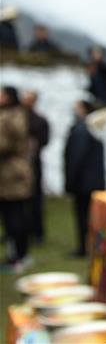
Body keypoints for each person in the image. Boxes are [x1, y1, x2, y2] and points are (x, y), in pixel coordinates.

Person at [64, 100, 106, 257]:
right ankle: (91, 246)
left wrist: (70, 180)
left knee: (83, 216)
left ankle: (85, 247)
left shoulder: (83, 129)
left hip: (83, 182)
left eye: (77, 107)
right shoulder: (93, 128)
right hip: (93, 180)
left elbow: (76, 157)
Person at [0, 86, 33, 273]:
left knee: (16, 217)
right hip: (5, 176)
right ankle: (14, 255)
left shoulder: (15, 116)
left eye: (2, 94)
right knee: (9, 217)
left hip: (13, 175)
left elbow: (6, 142)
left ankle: (21, 256)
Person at [21, 91, 50, 244]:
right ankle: (22, 231)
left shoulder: (39, 120)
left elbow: (44, 140)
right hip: (20, 163)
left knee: (35, 198)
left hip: (33, 163)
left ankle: (37, 232)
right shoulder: (19, 118)